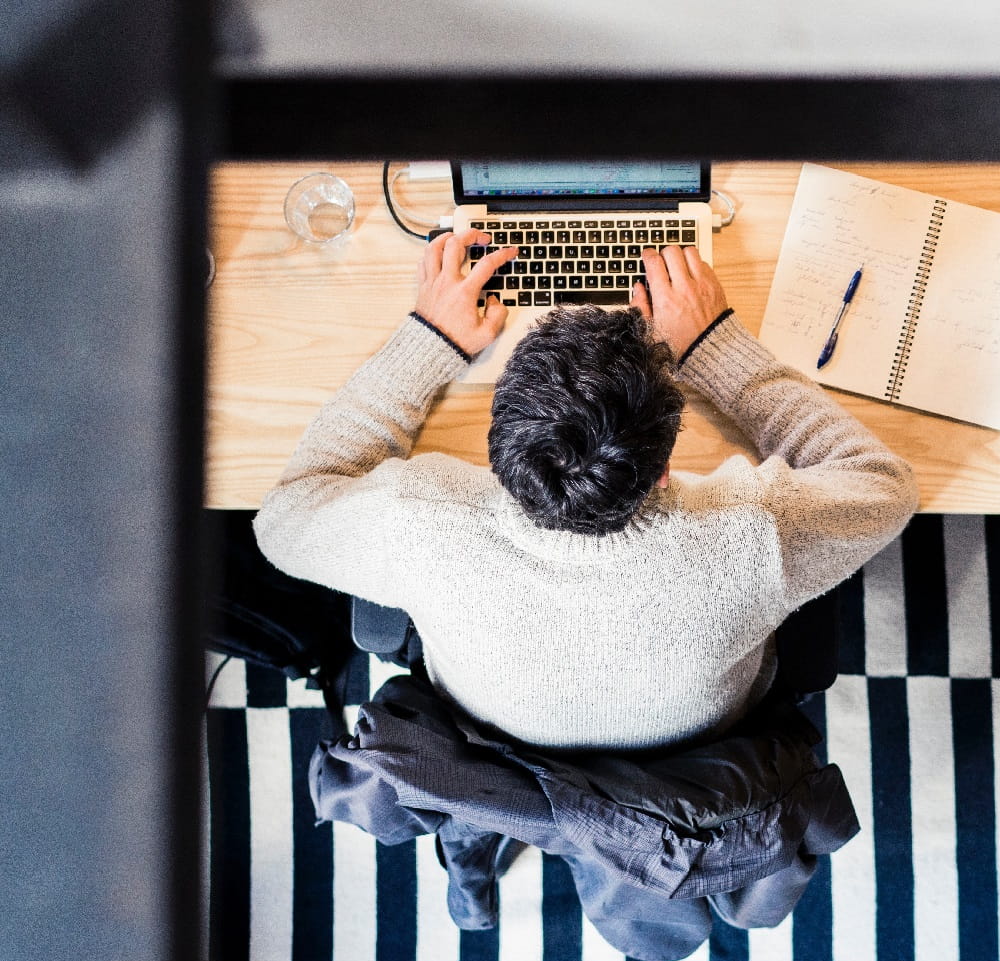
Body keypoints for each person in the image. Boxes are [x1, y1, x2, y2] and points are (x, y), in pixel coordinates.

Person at [254, 227, 918, 750]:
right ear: (664, 469)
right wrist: (713, 346)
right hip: (699, 752)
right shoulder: (750, 532)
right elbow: (883, 483)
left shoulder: (422, 523)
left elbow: (285, 516)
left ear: (498, 448)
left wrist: (429, 340)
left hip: (496, 748)